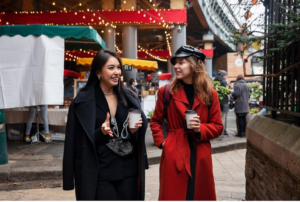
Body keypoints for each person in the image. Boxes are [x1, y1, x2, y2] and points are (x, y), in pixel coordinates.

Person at [63, 49, 149, 200]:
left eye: (118, 67)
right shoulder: (82, 102)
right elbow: (74, 142)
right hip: (99, 172)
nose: (117, 72)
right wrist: (100, 133)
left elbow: (137, 136)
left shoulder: (129, 97)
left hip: (129, 170)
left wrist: (133, 131)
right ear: (98, 72)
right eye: (111, 68)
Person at [150, 45, 223, 200]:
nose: (176, 66)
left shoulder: (210, 94)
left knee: (199, 193)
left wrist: (200, 129)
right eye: (175, 62)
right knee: (174, 193)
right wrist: (163, 143)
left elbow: (217, 127)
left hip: (200, 153)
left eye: (181, 62)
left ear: (194, 64)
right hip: (174, 151)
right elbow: (156, 121)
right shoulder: (166, 92)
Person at [214, 70, 229, 135]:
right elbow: (227, 91)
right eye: (226, 75)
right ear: (223, 75)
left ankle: (217, 129)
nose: (227, 76)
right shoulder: (223, 82)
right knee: (224, 116)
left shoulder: (214, 81)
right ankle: (224, 131)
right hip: (224, 102)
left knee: (217, 116)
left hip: (217, 101)